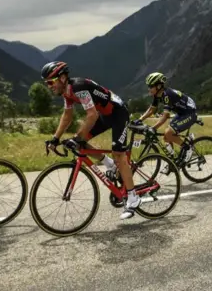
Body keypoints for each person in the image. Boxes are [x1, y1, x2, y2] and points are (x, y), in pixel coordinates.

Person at [41, 61, 140, 220]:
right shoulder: (67, 92)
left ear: (63, 77)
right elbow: (67, 117)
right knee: (81, 144)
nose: (49, 86)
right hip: (105, 115)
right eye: (46, 83)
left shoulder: (78, 88)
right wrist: (54, 139)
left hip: (119, 114)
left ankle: (133, 197)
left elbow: (92, 115)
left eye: (51, 82)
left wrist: (77, 137)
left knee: (119, 154)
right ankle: (109, 164)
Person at [134, 72, 198, 162]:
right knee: (166, 137)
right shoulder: (157, 95)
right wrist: (139, 119)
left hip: (190, 113)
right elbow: (152, 109)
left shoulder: (167, 95)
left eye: (151, 86)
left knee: (168, 133)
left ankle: (188, 148)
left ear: (159, 86)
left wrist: (153, 128)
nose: (149, 89)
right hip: (181, 113)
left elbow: (165, 116)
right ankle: (173, 161)